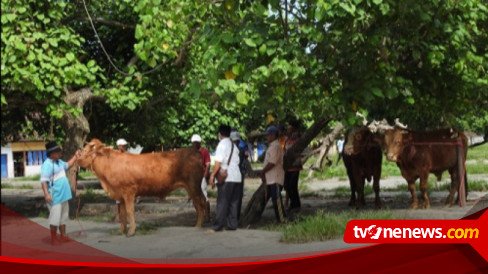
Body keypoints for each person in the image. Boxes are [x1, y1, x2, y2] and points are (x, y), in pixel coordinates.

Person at [40, 141, 81, 245]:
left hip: (63, 196)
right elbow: (44, 180)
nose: (60, 153)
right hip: (55, 197)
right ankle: (53, 240)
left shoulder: (59, 162)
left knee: (63, 218)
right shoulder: (47, 164)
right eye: (58, 152)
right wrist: (46, 194)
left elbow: (68, 165)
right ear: (51, 153)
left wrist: (76, 156)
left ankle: (63, 237)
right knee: (55, 219)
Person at [207, 125, 242, 233]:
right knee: (233, 201)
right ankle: (232, 224)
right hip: (236, 177)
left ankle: (218, 225)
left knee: (222, 201)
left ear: (220, 134)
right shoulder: (233, 145)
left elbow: (218, 163)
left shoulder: (222, 145)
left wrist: (212, 175)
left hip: (227, 177)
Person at [260, 126, 287, 224]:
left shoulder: (275, 146)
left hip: (275, 177)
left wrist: (263, 171)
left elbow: (272, 162)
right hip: (271, 178)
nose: (267, 137)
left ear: (272, 135)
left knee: (277, 200)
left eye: (268, 135)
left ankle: (282, 220)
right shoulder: (273, 146)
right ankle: (280, 218)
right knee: (275, 200)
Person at [191, 134, 211, 222]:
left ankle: (207, 216)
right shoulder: (191, 153)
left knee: (204, 196)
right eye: (194, 143)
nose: (195, 144)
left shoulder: (204, 151)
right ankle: (199, 214)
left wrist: (204, 177)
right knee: (194, 197)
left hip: (201, 176)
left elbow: (208, 165)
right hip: (194, 178)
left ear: (199, 143)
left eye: (196, 143)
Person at [283, 124, 303, 213]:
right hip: (287, 167)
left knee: (293, 186)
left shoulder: (297, 140)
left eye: (290, 129)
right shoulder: (287, 140)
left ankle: (296, 205)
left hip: (295, 166)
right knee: (287, 187)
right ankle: (292, 204)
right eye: (287, 129)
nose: (288, 130)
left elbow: (299, 151)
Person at [230, 131, 246, 221]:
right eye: (234, 141)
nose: (236, 143)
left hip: (238, 176)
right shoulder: (239, 150)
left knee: (238, 197)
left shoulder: (240, 150)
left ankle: (236, 217)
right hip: (232, 177)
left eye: (237, 141)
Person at [114, 138, 128, 223]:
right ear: (119, 146)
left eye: (125, 145)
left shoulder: (126, 155)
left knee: (126, 198)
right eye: (123, 145)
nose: (125, 147)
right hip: (118, 178)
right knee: (118, 199)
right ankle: (117, 215)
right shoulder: (115, 155)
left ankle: (125, 216)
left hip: (126, 178)